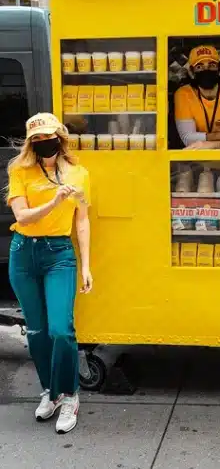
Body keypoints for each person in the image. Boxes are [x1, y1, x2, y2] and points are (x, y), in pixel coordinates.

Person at [5, 113, 92, 434]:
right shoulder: (20, 171)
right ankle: (50, 392)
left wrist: (86, 265)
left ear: (60, 136)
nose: (44, 143)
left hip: (59, 255)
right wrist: (54, 201)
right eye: (37, 139)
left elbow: (82, 220)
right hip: (23, 253)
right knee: (37, 332)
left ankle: (70, 395)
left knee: (60, 329)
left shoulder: (79, 174)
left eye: (48, 137)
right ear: (31, 143)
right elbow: (23, 216)